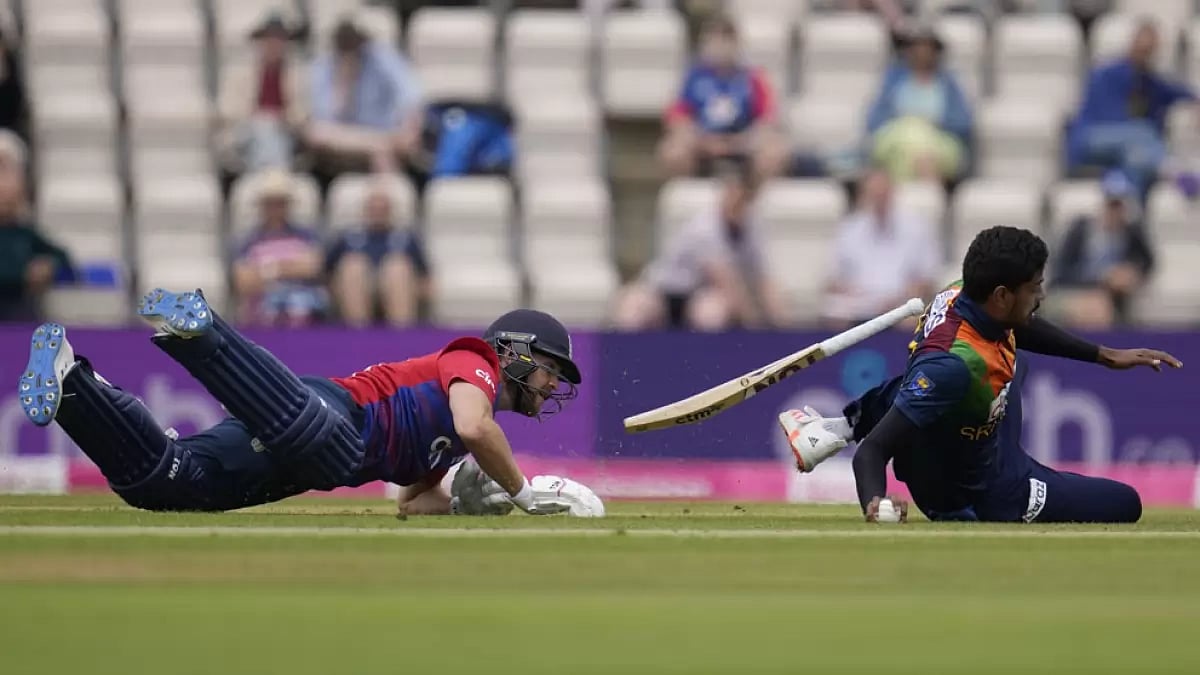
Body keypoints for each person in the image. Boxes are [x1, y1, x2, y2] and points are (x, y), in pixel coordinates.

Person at [17, 287, 584, 515]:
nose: (552, 384)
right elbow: (476, 427)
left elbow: (411, 504)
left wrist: (467, 504)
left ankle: (72, 386)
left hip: (303, 456)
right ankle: (202, 333)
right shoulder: (473, 361)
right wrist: (524, 493)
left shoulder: (447, 447)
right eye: (550, 369)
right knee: (336, 454)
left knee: (168, 484)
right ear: (514, 352)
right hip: (333, 415)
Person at [780, 226, 1182, 523]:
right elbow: (872, 452)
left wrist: (1103, 355)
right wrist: (875, 503)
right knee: (1127, 503)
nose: (1041, 296)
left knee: (1011, 366)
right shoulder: (955, 367)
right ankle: (848, 433)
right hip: (983, 489)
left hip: (976, 427)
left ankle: (842, 426)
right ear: (1002, 295)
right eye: (1034, 288)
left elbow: (1020, 326)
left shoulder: (960, 292)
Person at [612, 160, 789, 331]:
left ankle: (704, 351)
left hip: (697, 297)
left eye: (743, 198)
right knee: (632, 309)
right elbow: (725, 281)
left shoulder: (751, 228)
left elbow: (764, 279)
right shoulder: (704, 227)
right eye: (732, 194)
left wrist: (784, 327)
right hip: (663, 293)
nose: (736, 201)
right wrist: (755, 328)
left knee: (711, 312)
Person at [1065, 20, 1197, 199]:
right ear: (1132, 45)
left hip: (1128, 151)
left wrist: (1196, 101)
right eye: (1142, 49)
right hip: (1091, 139)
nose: (1144, 55)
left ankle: (1127, 205)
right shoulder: (1106, 74)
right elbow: (1113, 122)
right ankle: (1173, 170)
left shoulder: (1149, 82)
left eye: (1149, 51)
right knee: (1143, 132)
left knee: (1135, 162)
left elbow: (1177, 92)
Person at [657, 15, 788, 181]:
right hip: (702, 142)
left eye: (725, 40)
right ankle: (686, 188)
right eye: (714, 40)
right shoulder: (694, 77)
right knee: (673, 150)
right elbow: (678, 116)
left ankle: (751, 192)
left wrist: (741, 142)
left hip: (744, 142)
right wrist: (700, 139)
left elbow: (768, 119)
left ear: (736, 44)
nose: (720, 47)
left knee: (774, 151)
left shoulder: (753, 78)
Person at [865, 23, 973, 183]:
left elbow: (963, 122)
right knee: (912, 137)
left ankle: (906, 190)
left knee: (918, 147)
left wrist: (928, 126)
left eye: (927, 48)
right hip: (897, 137)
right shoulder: (893, 78)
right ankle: (929, 190)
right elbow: (875, 120)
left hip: (938, 140)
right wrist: (909, 124)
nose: (922, 53)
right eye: (917, 47)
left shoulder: (948, 83)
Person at [1050, 170, 1154, 328]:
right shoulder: (1079, 230)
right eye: (1111, 205)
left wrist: (1131, 273)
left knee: (1102, 307)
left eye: (1119, 205)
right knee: (1096, 309)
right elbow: (1061, 271)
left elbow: (1148, 262)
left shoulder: (1132, 233)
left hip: (1112, 297)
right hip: (1074, 290)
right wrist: (1102, 278)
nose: (1115, 212)